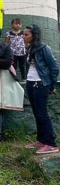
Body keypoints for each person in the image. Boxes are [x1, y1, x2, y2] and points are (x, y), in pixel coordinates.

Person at [23, 24, 59, 154]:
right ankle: (41, 139)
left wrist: (51, 84)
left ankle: (51, 143)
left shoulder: (44, 48)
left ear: (34, 35)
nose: (24, 37)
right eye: (23, 34)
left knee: (42, 113)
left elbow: (54, 67)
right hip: (31, 82)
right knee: (36, 112)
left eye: (26, 34)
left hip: (41, 84)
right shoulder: (30, 48)